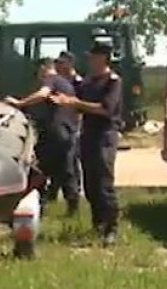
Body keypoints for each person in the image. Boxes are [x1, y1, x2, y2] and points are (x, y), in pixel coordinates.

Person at [51, 42, 123, 247]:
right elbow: (75, 91)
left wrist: (74, 104)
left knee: (103, 182)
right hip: (89, 135)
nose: (89, 59)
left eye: (93, 56)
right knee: (90, 184)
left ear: (103, 57)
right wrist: (68, 76)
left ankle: (111, 228)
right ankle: (98, 224)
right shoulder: (90, 80)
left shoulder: (113, 81)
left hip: (105, 135)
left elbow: (105, 109)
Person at [4, 57, 80, 216]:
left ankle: (39, 205)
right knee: (66, 170)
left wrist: (20, 103)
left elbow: (43, 94)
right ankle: (72, 206)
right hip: (69, 132)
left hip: (54, 132)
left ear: (44, 69)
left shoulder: (51, 79)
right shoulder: (66, 84)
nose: (38, 77)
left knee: (40, 169)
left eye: (39, 72)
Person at [53, 51, 84, 207]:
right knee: (62, 162)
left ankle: (74, 197)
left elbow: (82, 106)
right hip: (62, 126)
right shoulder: (58, 81)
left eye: (62, 63)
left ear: (70, 64)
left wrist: (78, 127)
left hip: (74, 127)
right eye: (57, 63)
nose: (58, 66)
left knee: (70, 163)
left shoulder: (78, 83)